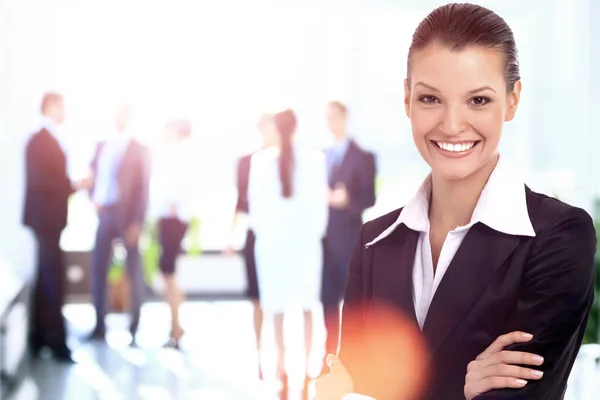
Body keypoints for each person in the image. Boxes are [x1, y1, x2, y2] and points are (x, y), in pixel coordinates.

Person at [315, 3, 596, 400]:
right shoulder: (374, 244)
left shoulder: (558, 237)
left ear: (513, 100)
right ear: (407, 99)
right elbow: (350, 388)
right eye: (431, 99)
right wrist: (463, 389)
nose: (451, 125)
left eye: (478, 101)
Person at [248, 109, 329, 399]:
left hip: (272, 246)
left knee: (278, 311)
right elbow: (321, 209)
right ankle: (307, 373)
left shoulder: (260, 162)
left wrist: (266, 237)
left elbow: (255, 209)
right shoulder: (315, 159)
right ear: (297, 128)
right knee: (308, 309)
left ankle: (282, 372)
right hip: (305, 244)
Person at [88, 104, 151, 344]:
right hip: (105, 213)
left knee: (133, 271)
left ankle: (134, 328)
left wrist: (137, 222)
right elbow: (94, 176)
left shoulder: (140, 149)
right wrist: (92, 198)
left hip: (128, 217)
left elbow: (144, 188)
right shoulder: (102, 145)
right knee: (98, 268)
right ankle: (99, 326)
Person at [321, 101, 376, 369]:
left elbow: (369, 198)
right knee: (328, 301)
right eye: (327, 118)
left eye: (334, 117)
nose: (330, 122)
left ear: (345, 118)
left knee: (352, 301)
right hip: (325, 241)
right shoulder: (322, 155)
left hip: (350, 240)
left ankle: (354, 358)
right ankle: (329, 357)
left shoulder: (363, 156)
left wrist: (347, 200)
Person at [23, 92, 76, 362]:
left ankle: (40, 337)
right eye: (62, 106)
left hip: (48, 221)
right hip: (46, 221)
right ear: (51, 106)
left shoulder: (48, 139)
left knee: (47, 279)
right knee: (53, 278)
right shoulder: (40, 140)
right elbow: (42, 182)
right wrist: (73, 186)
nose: (65, 111)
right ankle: (56, 342)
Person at [225, 113, 279, 378]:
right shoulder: (246, 162)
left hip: (281, 236)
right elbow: (240, 200)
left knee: (279, 298)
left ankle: (280, 358)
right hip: (254, 234)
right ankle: (260, 357)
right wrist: (231, 234)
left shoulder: (287, 160)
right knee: (257, 298)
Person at [153, 118, 196, 349]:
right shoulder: (179, 154)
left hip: (172, 219)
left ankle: (176, 327)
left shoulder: (178, 155)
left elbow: (173, 191)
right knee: (169, 275)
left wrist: (171, 206)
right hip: (172, 218)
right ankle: (175, 325)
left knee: (169, 275)